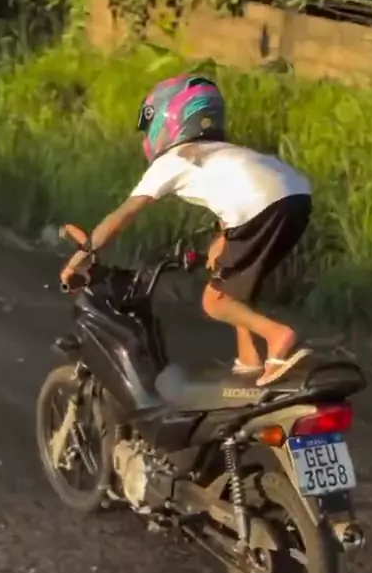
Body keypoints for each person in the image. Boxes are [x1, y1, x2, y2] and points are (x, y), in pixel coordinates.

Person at [81, 74, 313, 386]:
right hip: (297, 197)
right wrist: (224, 236)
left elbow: (125, 213)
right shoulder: (223, 152)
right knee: (231, 286)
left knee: (214, 301)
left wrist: (83, 255)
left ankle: (277, 337)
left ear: (167, 122)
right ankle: (249, 359)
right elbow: (241, 190)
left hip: (261, 207)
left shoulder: (173, 160)